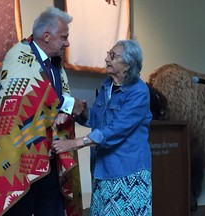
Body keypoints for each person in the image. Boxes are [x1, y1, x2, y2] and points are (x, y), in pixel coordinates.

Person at [0, 7, 84, 216]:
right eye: (63, 37)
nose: (67, 43)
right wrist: (68, 103)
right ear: (47, 36)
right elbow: (22, 103)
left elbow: (52, 98)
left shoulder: (55, 64)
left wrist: (69, 106)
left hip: (52, 158)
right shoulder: (18, 57)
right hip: (19, 159)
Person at [53, 40, 153, 215]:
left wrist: (75, 143)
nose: (106, 59)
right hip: (102, 170)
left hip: (128, 172)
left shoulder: (139, 92)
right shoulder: (107, 85)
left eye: (113, 56)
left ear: (128, 65)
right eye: (108, 53)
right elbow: (96, 121)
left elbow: (116, 130)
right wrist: (82, 112)